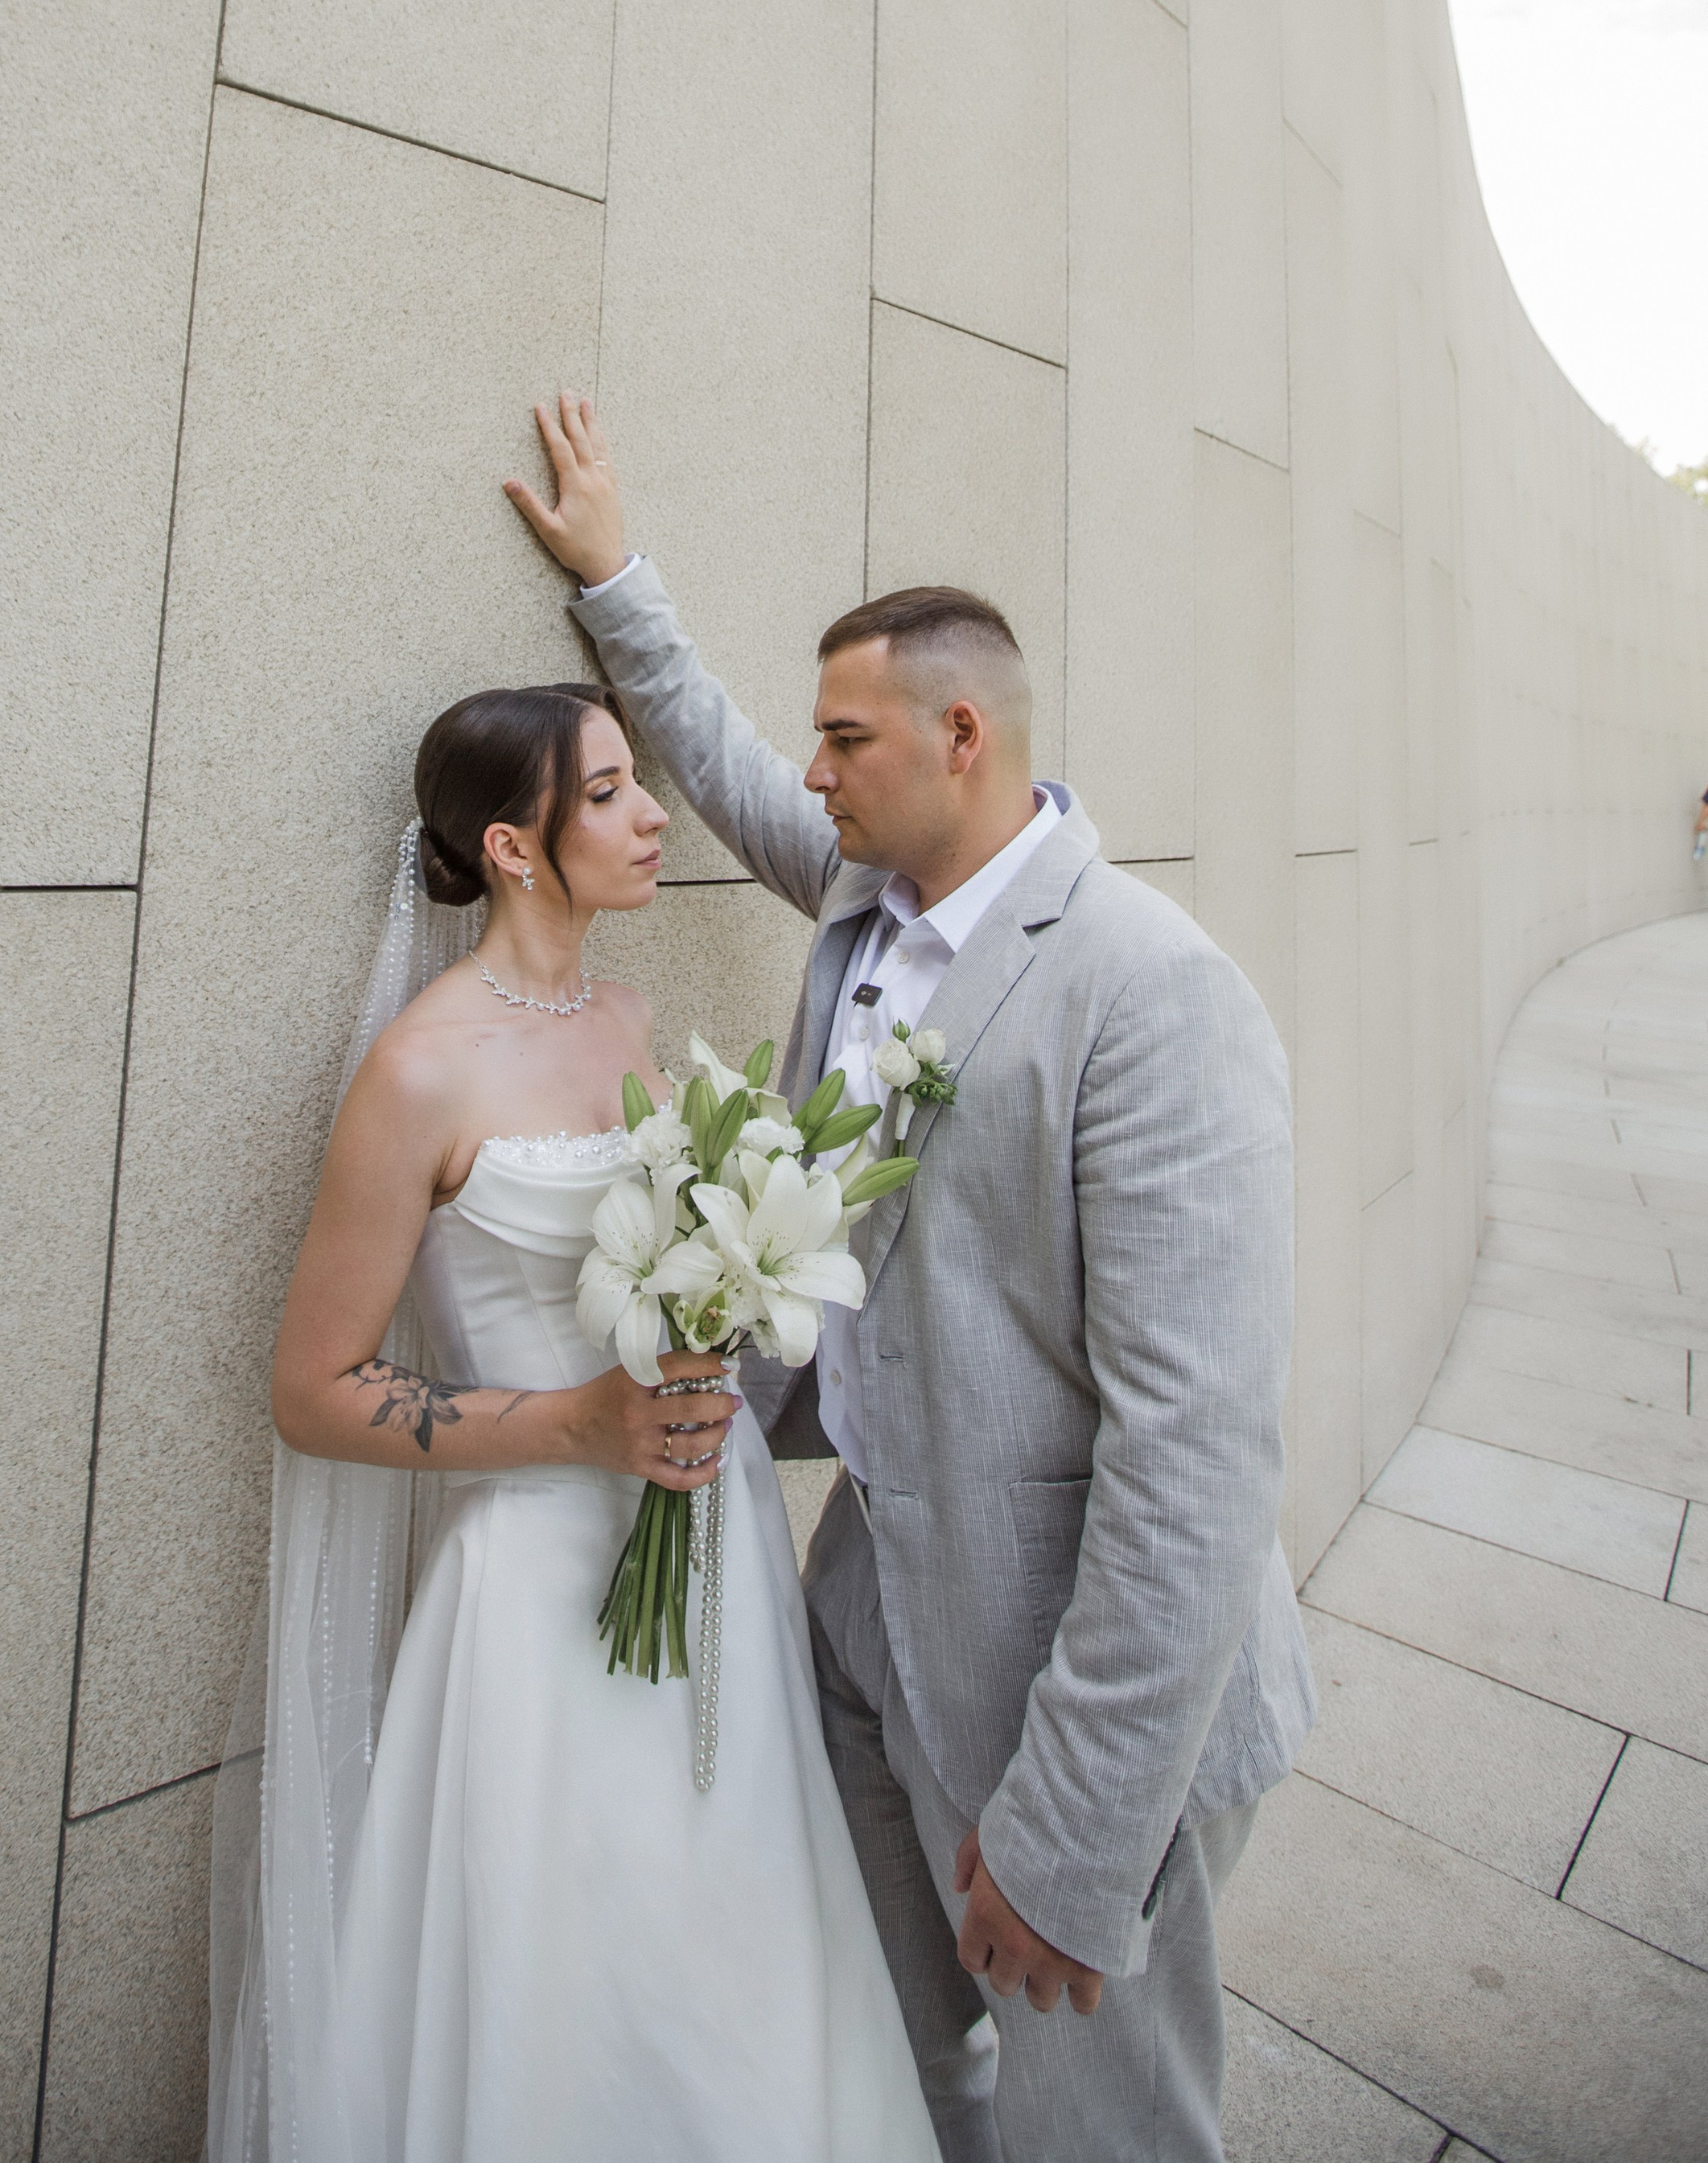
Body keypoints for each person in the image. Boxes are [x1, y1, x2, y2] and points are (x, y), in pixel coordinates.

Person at [504, 394, 1316, 2163]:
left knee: (1092, 2133)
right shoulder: (868, 898)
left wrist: (1072, 1842)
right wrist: (611, 578)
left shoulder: (1152, 996)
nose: (810, 772)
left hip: (1071, 1691)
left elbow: (1193, 1467)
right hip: (864, 1618)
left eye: (843, 738)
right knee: (886, 2068)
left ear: (961, 737)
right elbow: (720, 761)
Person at [207, 677, 940, 2163]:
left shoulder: (628, 1016)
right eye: (608, 793)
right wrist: (573, 1427)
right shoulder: (419, 1072)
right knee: (579, 1977)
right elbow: (313, 1385)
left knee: (734, 1941)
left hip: (709, 1536)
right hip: (543, 1582)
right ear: (515, 847)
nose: (654, 812)